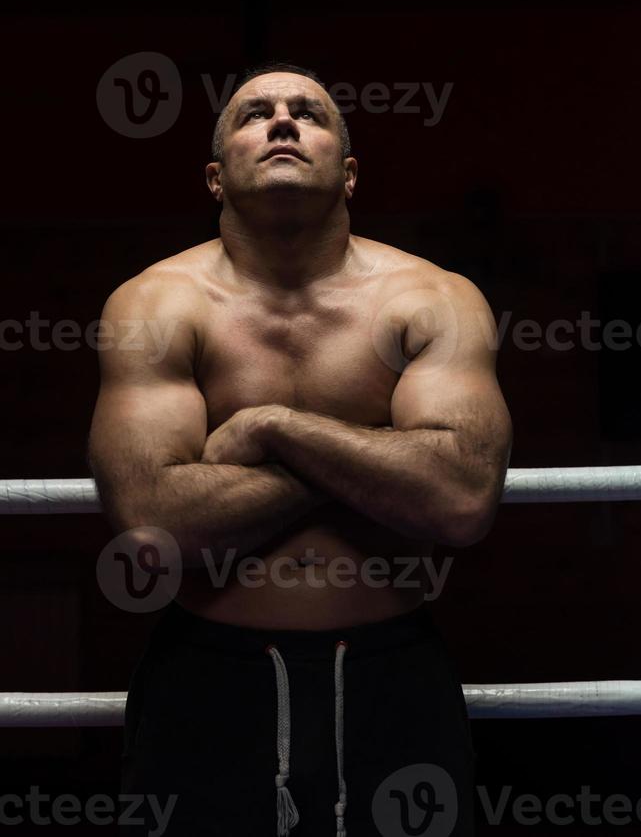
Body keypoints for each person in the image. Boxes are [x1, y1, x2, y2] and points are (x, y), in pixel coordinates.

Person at [88, 62, 513, 837]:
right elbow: (153, 521)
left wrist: (271, 427)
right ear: (215, 178)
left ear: (349, 175)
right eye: (255, 113)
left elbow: (460, 498)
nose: (283, 122)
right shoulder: (155, 304)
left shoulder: (433, 298)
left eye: (308, 114)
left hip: (394, 672)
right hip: (212, 677)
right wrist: (378, 458)